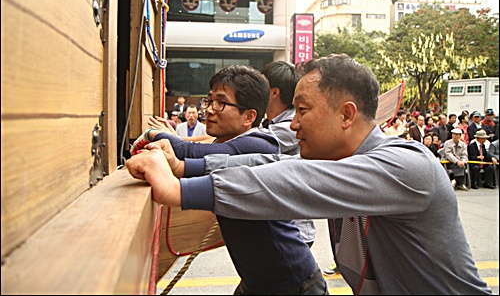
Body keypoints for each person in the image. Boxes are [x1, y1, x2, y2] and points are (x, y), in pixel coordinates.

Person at [126, 53, 492, 294]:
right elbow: (274, 167)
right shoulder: (337, 163)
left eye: (302, 110)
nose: (293, 124)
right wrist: (183, 168)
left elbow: (297, 181)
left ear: (346, 115)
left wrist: (178, 190)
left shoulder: (405, 165)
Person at [131, 64, 328, 295]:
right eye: (209, 100)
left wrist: (150, 135)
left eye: (221, 103)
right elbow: (189, 156)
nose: (210, 110)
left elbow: (189, 153)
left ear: (249, 116)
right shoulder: (224, 144)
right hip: (258, 282)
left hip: (294, 285)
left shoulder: (256, 144)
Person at [259, 60, 317, 249]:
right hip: (274, 224)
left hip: (293, 230)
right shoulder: (265, 123)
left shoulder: (289, 128)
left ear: (274, 92)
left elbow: (243, 144)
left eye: (260, 85)